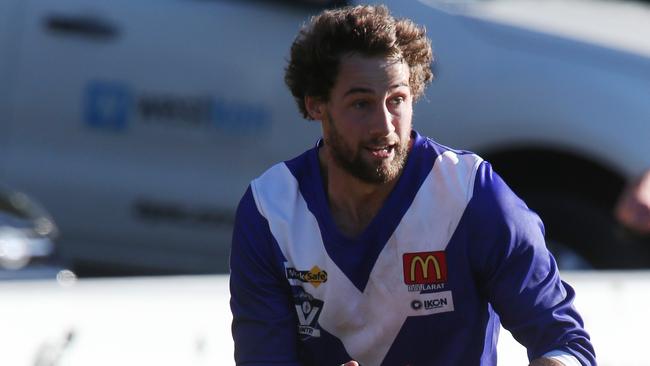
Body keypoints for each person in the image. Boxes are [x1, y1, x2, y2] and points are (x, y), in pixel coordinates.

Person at [229, 5, 595, 366]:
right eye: (361, 103)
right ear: (316, 105)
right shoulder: (270, 211)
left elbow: (565, 342)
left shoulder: (472, 195)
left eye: (397, 100)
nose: (385, 125)